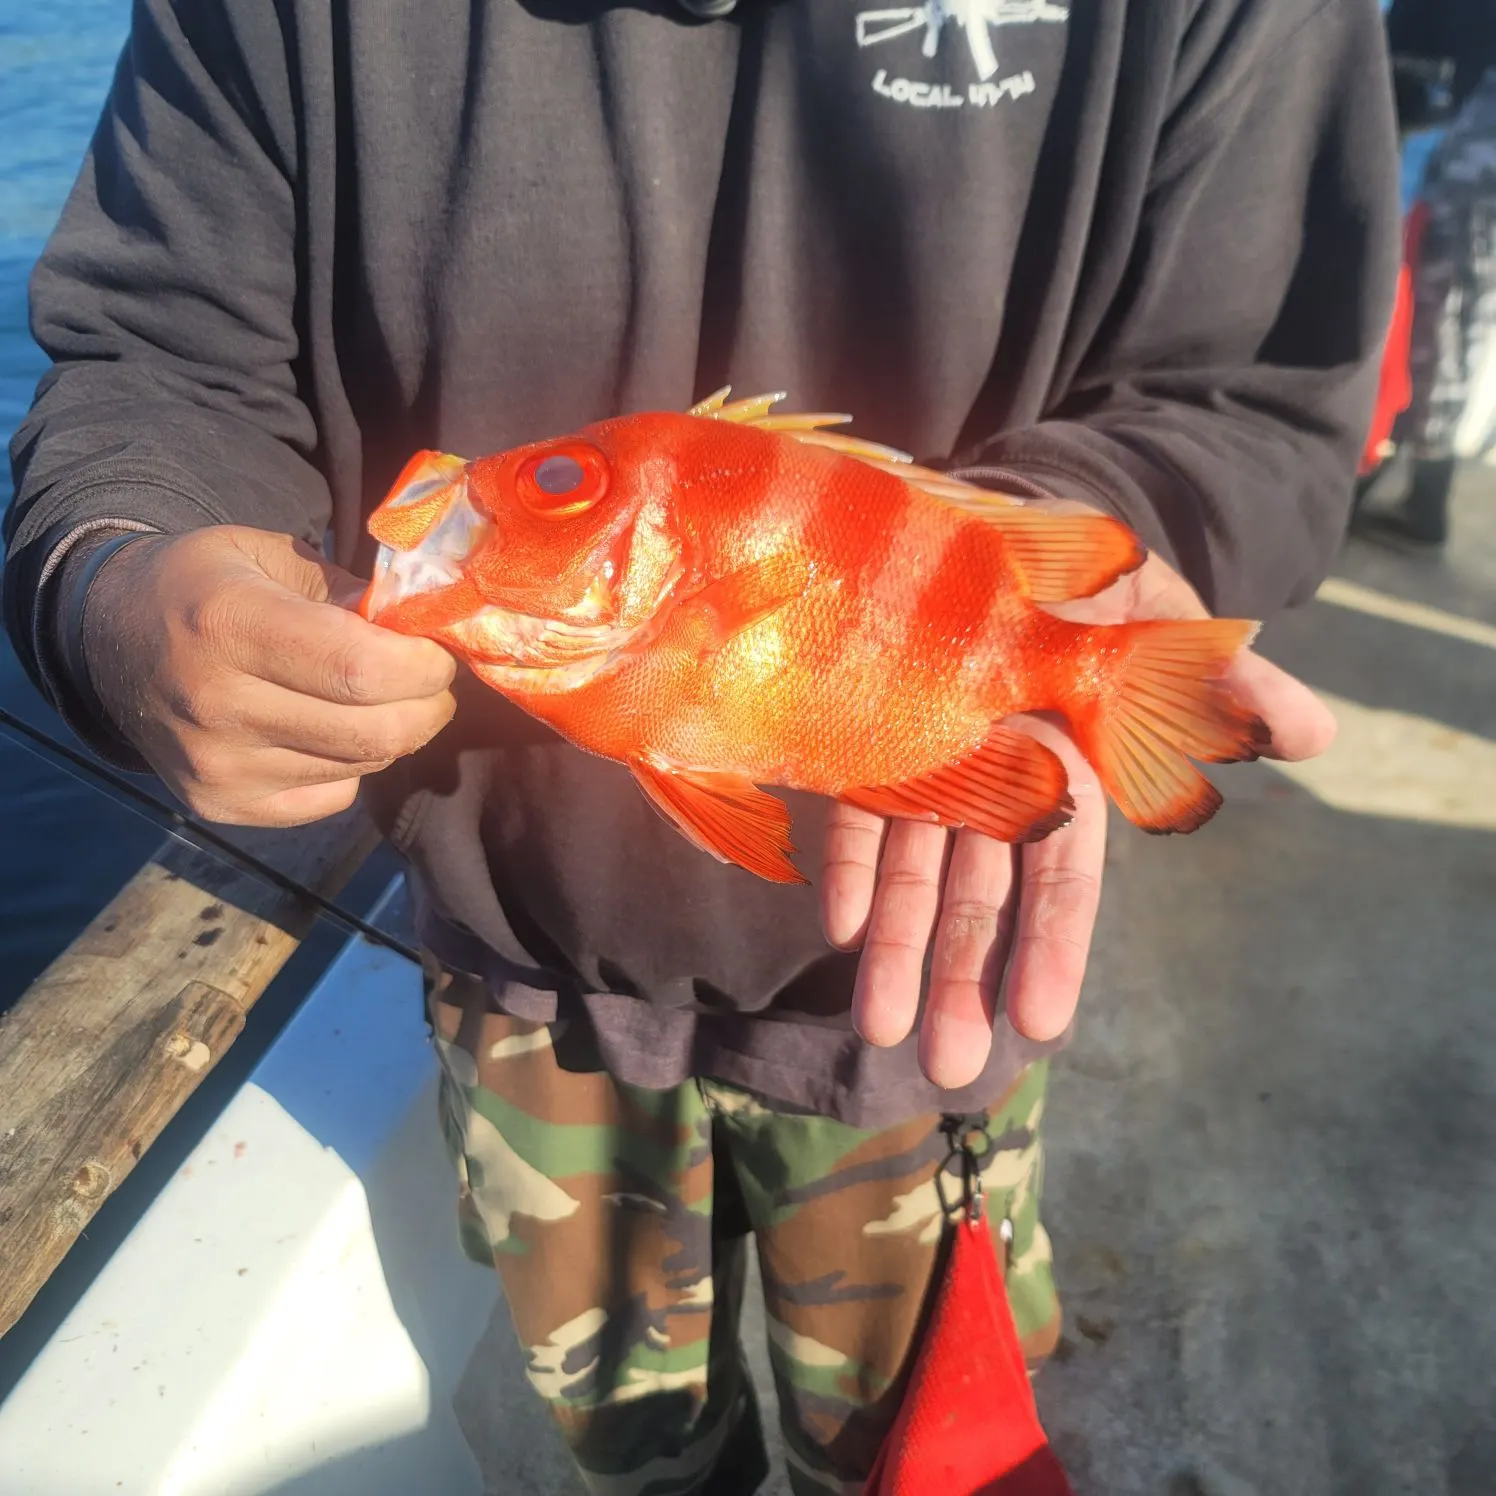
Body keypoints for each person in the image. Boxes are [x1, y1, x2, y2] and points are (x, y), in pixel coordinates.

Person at [3, 2, 1393, 1490]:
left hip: (909, 1000)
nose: (477, 496)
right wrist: (118, 579)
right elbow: (158, 360)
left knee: (909, 1437)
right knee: (631, 1445)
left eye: (545, 488)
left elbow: (1250, 390)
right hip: (513, 969)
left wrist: (1119, 534)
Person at [1361, 0, 1496, 549]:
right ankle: (1406, 481)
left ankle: (1422, 496)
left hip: (1477, 144)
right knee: (1441, 312)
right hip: (1465, 126)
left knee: (1447, 314)